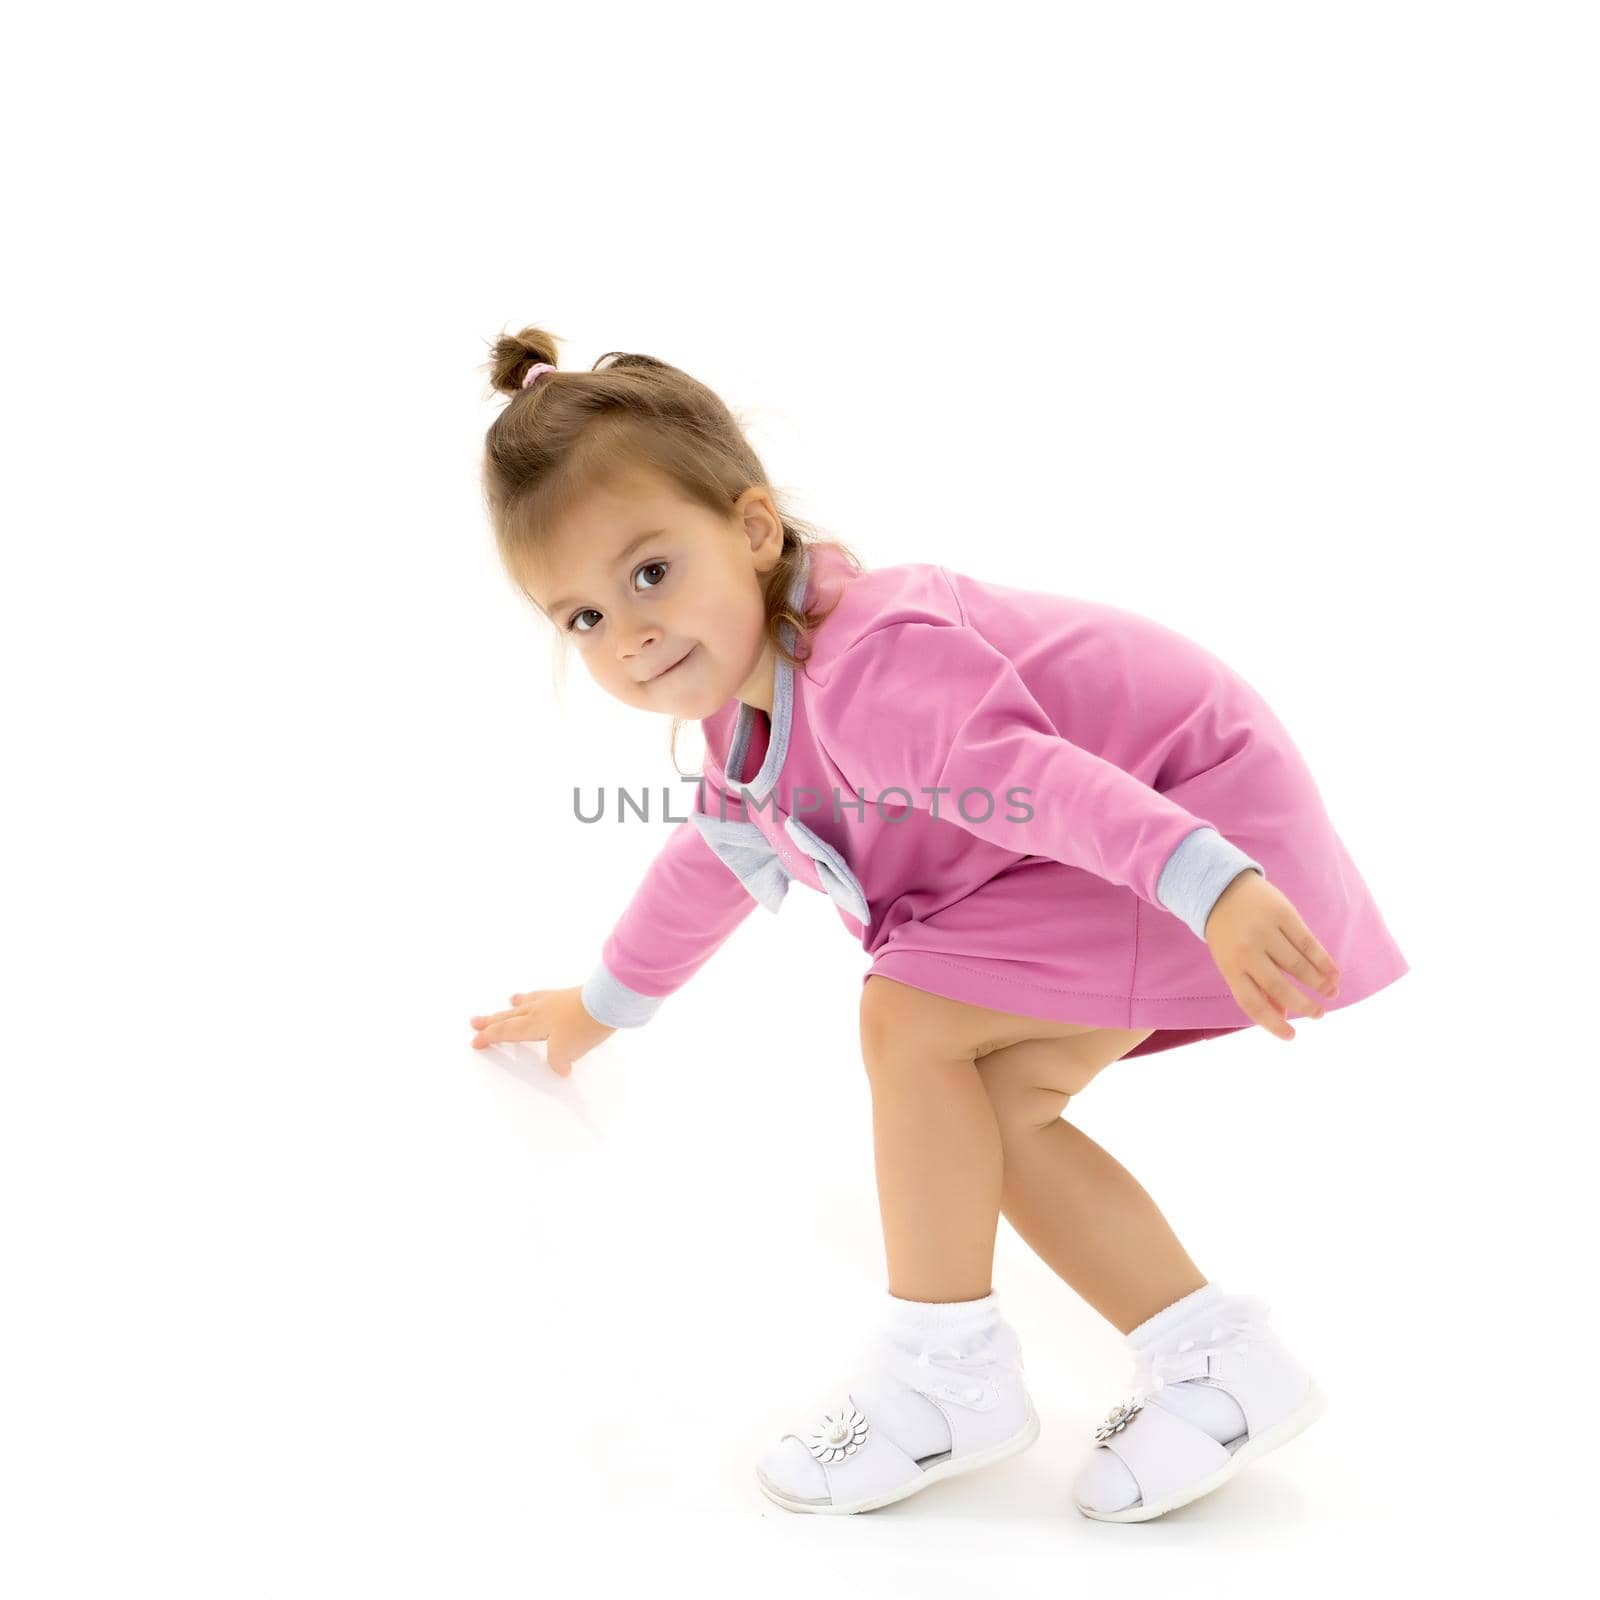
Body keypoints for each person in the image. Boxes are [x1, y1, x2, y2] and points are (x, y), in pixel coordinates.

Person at [468, 329, 1409, 1522]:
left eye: (649, 573)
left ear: (753, 529)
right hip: (1144, 861)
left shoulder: (875, 669)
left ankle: (941, 1375)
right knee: (985, 1110)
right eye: (583, 618)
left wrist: (1213, 882)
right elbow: (706, 859)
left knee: (911, 1020)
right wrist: (599, 1005)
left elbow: (1047, 784)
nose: (629, 635)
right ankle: (1219, 1366)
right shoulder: (748, 724)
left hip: (1199, 837)